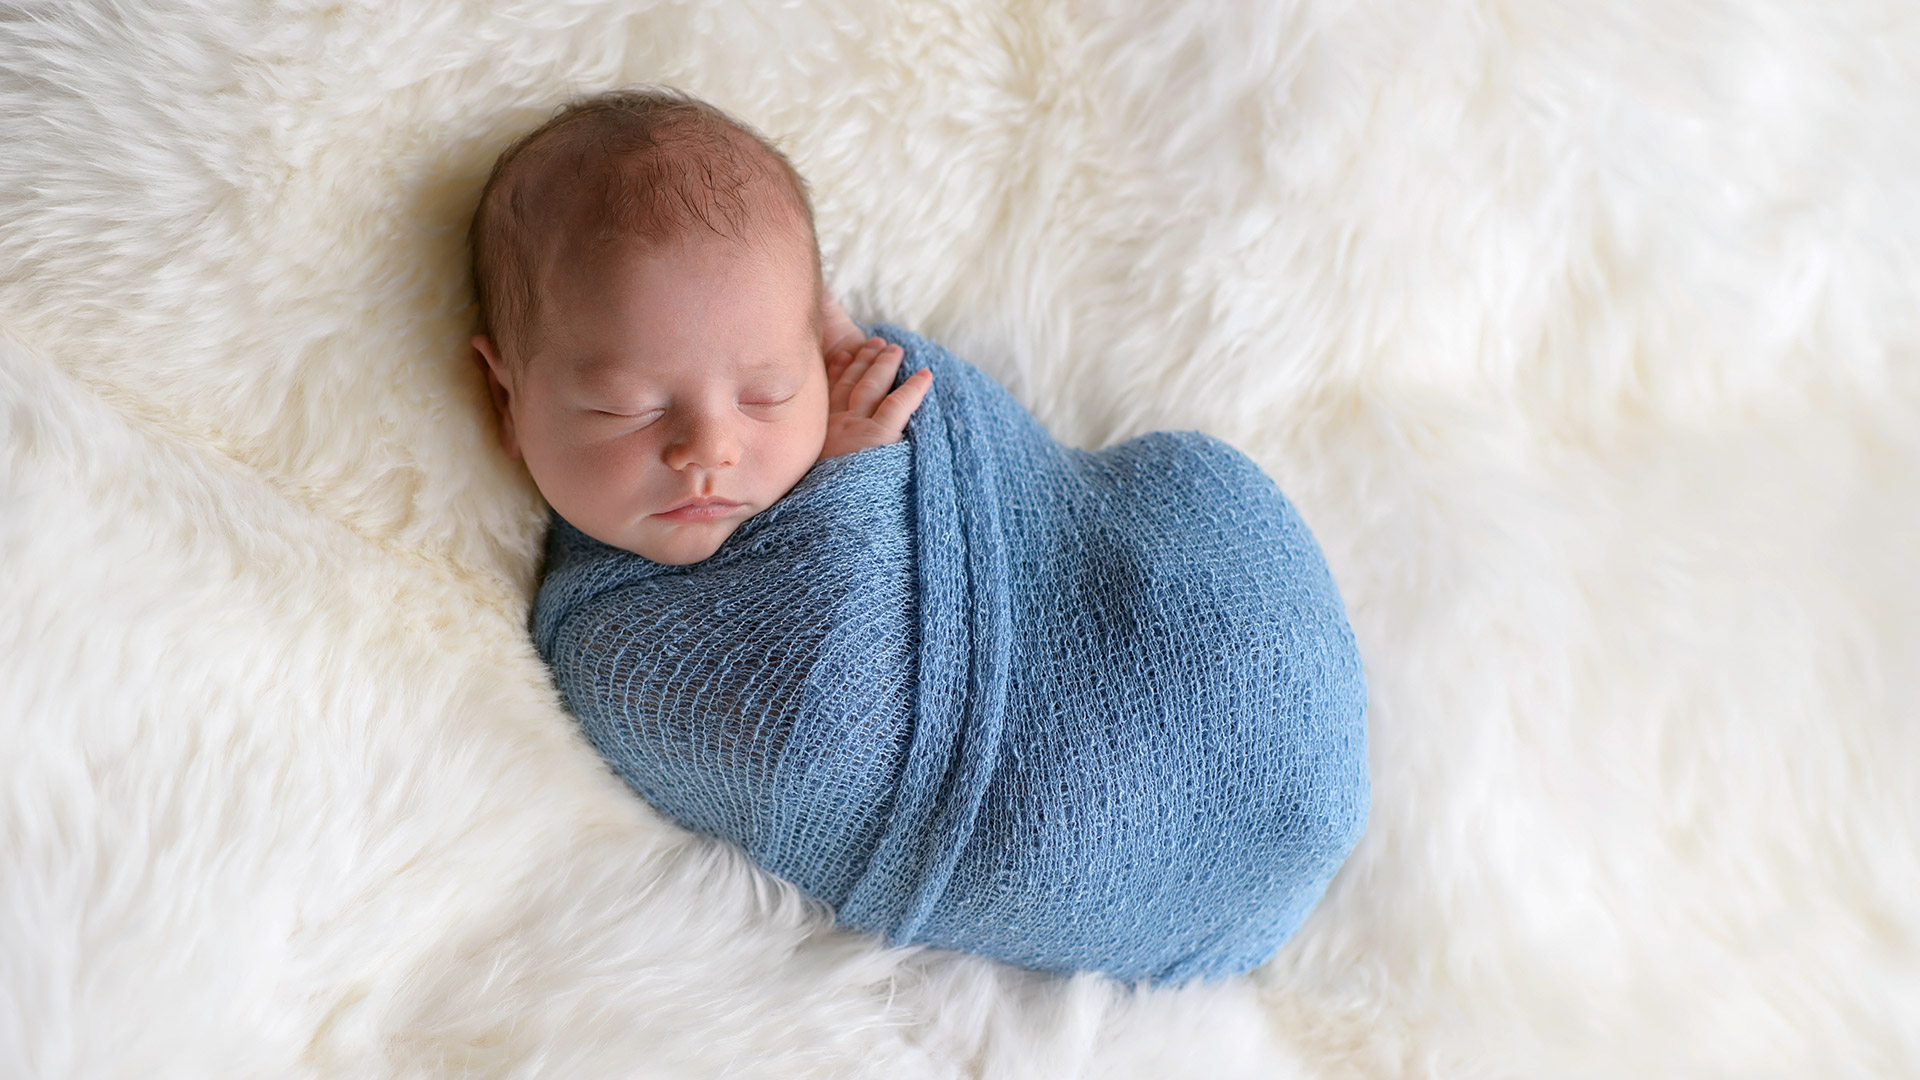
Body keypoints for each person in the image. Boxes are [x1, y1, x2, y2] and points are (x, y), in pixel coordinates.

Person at [469, 86, 930, 566]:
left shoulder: (866, 397)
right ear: (506, 400)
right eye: (628, 408)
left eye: (767, 396)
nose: (711, 450)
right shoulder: (582, 599)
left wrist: (861, 466)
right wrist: (847, 502)